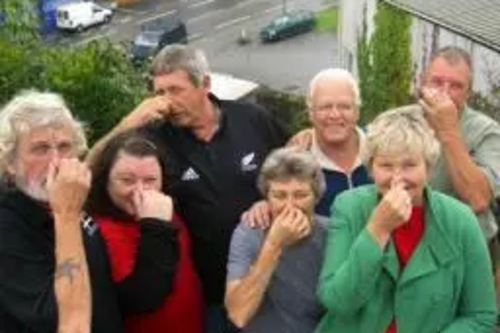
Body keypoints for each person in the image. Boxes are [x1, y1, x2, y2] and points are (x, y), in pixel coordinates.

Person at [88, 44, 288, 332]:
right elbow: (88, 171)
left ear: (205, 84)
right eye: (159, 92)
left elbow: (291, 164)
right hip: (207, 297)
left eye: (175, 90)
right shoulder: (155, 138)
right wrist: (127, 123)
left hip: (268, 280)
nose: (166, 102)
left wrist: (272, 199)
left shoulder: (251, 118)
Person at [316, 105, 496, 333]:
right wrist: (377, 229)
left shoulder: (461, 220)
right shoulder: (349, 207)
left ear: (428, 168)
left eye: (410, 165)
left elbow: (481, 316)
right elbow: (336, 301)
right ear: (371, 168)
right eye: (385, 165)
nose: (397, 178)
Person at [0, 90, 124, 333]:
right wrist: (66, 214)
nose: (56, 160)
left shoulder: (73, 198)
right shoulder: (8, 225)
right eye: (40, 148)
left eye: (65, 146)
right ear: (10, 163)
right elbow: (58, 319)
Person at [86, 131, 204, 333]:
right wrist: (155, 226)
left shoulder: (167, 210)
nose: (139, 191)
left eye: (150, 180)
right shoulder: (96, 231)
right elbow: (140, 298)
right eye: (126, 180)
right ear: (105, 179)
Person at [418, 45, 500, 300]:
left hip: (469, 250)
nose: (444, 93)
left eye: (455, 86)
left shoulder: (487, 131)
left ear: (468, 92)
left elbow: (478, 199)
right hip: (413, 248)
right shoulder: (403, 121)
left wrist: (449, 131)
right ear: (422, 82)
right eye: (437, 82)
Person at [243, 68, 370, 226]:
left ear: (357, 111)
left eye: (344, 106)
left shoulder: (381, 149)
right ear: (310, 112)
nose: (335, 115)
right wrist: (265, 206)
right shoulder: (295, 159)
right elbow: (279, 197)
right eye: (325, 107)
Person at [225, 147, 327, 332]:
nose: (290, 206)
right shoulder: (249, 233)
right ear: (267, 197)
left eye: (301, 195)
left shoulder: (331, 232)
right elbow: (238, 314)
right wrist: (274, 244)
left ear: (316, 197)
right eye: (279, 196)